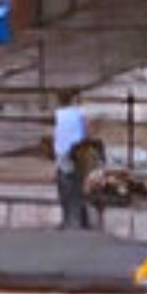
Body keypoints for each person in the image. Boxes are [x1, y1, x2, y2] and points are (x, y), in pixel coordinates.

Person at [51, 90, 93, 229]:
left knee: (65, 186)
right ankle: (81, 218)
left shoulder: (59, 113)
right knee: (78, 185)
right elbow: (87, 131)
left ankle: (68, 218)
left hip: (62, 151)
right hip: (77, 151)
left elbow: (56, 132)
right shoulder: (81, 112)